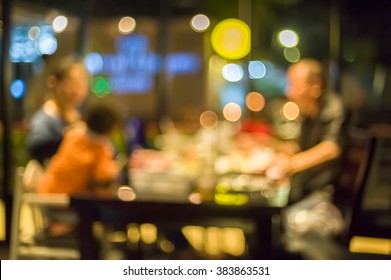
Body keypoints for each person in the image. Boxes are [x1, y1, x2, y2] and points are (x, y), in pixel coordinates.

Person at [267, 58, 346, 204]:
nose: (289, 92)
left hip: (324, 196)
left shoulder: (333, 107)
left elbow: (331, 148)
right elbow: (300, 148)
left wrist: (290, 164)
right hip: (306, 190)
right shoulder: (309, 114)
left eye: (294, 84)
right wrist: (268, 145)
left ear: (315, 86)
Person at [37, 103, 121, 195]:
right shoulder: (101, 149)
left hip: (45, 189)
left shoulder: (73, 134)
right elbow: (105, 175)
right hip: (64, 199)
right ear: (110, 129)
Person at [26, 56, 89, 165]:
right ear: (54, 83)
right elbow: (36, 146)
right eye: (71, 82)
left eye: (81, 83)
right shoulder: (45, 118)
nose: (77, 90)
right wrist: (73, 137)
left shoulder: (75, 115)